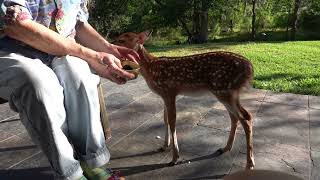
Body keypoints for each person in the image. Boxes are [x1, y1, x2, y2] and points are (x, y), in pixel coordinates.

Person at [0, 0, 139, 179]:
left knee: (80, 75)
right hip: (11, 51)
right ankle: (70, 173)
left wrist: (109, 49)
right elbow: (16, 25)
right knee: (39, 85)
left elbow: (78, 24)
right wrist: (93, 56)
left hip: (60, 50)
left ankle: (92, 162)